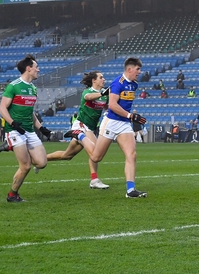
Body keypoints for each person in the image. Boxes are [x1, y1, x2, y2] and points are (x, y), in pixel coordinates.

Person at [0, 54, 53, 202]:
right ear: (28, 69)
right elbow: (2, 108)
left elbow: (30, 112)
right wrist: (13, 123)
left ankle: (9, 146)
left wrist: (41, 127)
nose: (38, 70)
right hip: (14, 130)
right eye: (36, 67)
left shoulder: (33, 88)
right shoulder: (13, 86)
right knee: (25, 166)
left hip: (29, 130)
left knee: (42, 162)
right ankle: (12, 195)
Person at [90, 57, 147, 198]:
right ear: (129, 69)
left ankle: (130, 190)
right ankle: (82, 137)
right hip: (111, 122)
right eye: (137, 69)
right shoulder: (117, 83)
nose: (139, 72)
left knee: (131, 154)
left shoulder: (134, 84)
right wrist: (130, 116)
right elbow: (113, 105)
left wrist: (130, 117)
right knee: (96, 157)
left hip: (124, 124)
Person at [51, 71, 110, 189]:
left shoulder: (104, 96)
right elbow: (88, 97)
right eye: (101, 77)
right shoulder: (88, 92)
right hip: (81, 125)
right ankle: (94, 180)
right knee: (95, 151)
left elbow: (106, 108)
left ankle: (39, 161)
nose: (104, 79)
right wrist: (102, 93)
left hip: (91, 128)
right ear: (94, 80)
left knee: (67, 156)